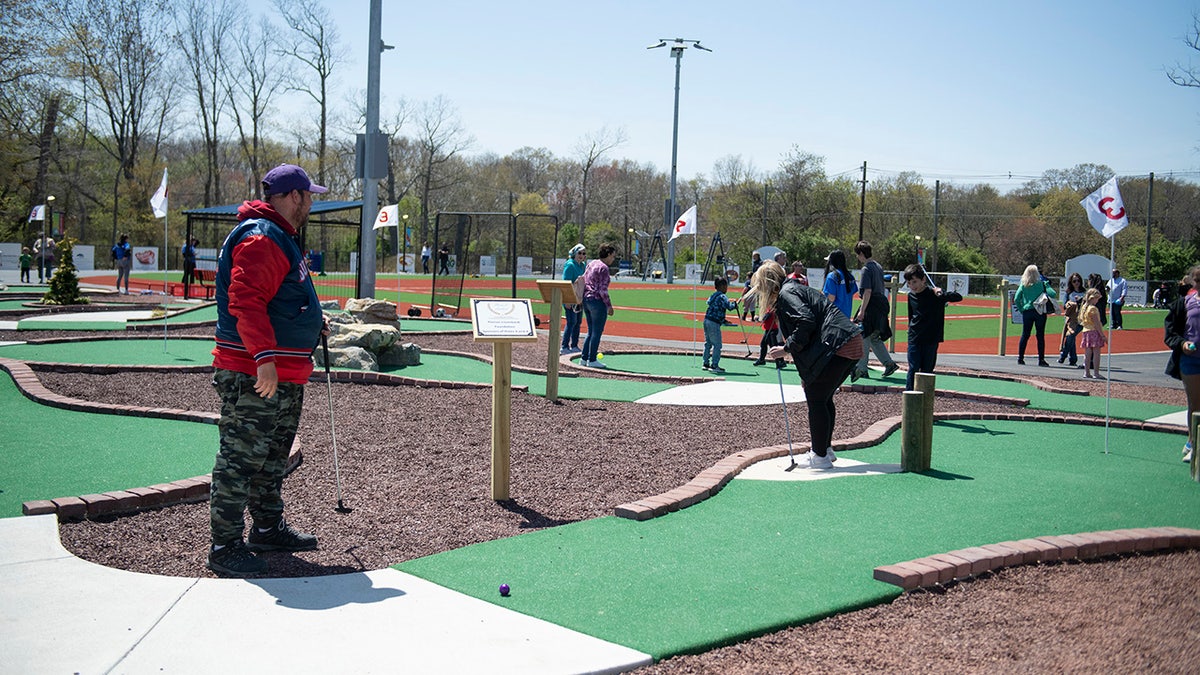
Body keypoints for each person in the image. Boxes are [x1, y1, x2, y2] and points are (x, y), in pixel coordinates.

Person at [207, 164, 328, 578]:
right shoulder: (261, 237)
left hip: (283, 372)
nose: (312, 202)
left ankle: (266, 528)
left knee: (272, 457)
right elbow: (246, 301)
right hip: (255, 372)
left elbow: (280, 295)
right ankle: (224, 545)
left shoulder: (278, 235)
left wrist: (311, 319)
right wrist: (263, 358)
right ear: (294, 196)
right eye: (309, 195)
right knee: (241, 458)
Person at [749, 260, 863, 469]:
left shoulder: (786, 294)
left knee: (816, 396)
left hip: (839, 342)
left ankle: (820, 456)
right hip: (849, 340)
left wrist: (786, 348)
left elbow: (805, 321)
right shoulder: (794, 288)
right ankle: (825, 450)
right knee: (823, 395)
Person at [901, 264, 962, 391]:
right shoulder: (910, 296)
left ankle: (925, 398)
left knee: (927, 370)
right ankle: (910, 396)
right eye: (909, 283)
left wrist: (941, 293)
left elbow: (958, 297)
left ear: (923, 279)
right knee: (913, 368)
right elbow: (911, 315)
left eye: (915, 282)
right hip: (915, 338)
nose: (912, 286)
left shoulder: (935, 295)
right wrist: (910, 330)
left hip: (931, 338)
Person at [1165, 266, 1200, 463]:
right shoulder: (1184, 303)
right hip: (1191, 360)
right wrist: (1182, 343)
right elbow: (1171, 332)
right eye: (1198, 281)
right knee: (1195, 404)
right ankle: (1193, 442)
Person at [851, 240, 898, 381]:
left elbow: (867, 291)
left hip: (871, 304)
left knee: (863, 335)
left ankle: (861, 368)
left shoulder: (866, 269)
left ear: (860, 253)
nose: (857, 257)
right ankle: (889, 363)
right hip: (881, 303)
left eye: (857, 254)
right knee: (873, 336)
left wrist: (862, 311)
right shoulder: (878, 266)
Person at [580, 244, 617, 369]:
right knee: (597, 331)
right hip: (597, 301)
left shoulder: (591, 263)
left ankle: (584, 358)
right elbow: (603, 290)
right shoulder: (604, 268)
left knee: (590, 331)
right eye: (612, 256)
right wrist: (609, 306)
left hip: (586, 299)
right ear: (607, 255)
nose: (613, 259)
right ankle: (592, 359)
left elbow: (584, 279)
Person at [1013, 264, 1057, 366]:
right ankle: (1041, 359)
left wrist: (1022, 309)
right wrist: (1047, 285)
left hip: (1027, 311)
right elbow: (1053, 293)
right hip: (1039, 311)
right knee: (1040, 335)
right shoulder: (1041, 284)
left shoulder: (1023, 285)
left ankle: (1020, 358)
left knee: (1025, 334)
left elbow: (1016, 299)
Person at [703, 276, 738, 373]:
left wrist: (724, 320)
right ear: (722, 286)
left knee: (708, 343)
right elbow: (729, 307)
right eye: (726, 286)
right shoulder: (722, 296)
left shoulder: (713, 295)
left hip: (706, 320)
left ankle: (706, 363)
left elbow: (716, 309)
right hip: (714, 323)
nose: (727, 288)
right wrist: (735, 304)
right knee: (717, 345)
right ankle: (714, 365)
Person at [560, 244, 587, 355]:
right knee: (571, 322)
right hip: (570, 298)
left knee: (578, 322)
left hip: (579, 298)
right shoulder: (570, 265)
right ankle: (564, 346)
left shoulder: (583, 266)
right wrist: (567, 300)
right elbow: (566, 283)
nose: (581, 255)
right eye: (579, 253)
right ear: (574, 253)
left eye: (584, 253)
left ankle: (574, 345)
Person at [1079, 287, 1107, 379]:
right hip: (1094, 331)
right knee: (1096, 353)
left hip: (1086, 331)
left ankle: (1086, 372)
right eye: (1097, 298)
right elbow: (1097, 323)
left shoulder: (1084, 307)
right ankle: (1096, 372)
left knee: (1087, 353)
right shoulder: (1093, 309)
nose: (1097, 301)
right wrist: (1102, 335)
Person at [821, 249, 858, 319]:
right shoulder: (850, 276)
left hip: (834, 316)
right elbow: (852, 292)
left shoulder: (832, 276)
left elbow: (831, 298)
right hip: (847, 315)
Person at [1058, 300, 1082, 367]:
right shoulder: (1069, 293)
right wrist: (1069, 304)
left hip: (1079, 321)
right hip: (1070, 320)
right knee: (1071, 337)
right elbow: (1065, 305)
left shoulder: (1083, 293)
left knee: (1070, 336)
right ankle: (1073, 359)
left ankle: (1063, 355)